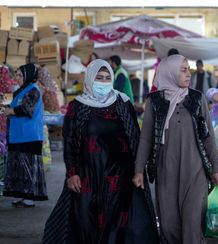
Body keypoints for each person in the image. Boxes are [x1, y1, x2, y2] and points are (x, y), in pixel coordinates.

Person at [42, 59, 156, 244]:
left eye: (106, 78)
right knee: (86, 222)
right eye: (99, 78)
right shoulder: (78, 106)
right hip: (88, 176)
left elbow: (135, 137)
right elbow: (70, 141)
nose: (103, 82)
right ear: (90, 79)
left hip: (120, 177)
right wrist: (72, 173)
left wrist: (139, 170)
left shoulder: (122, 103)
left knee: (116, 225)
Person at [132, 54, 218, 244]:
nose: (188, 74)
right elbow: (147, 137)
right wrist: (139, 169)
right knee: (169, 224)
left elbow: (209, 137)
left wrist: (216, 167)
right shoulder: (155, 102)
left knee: (192, 223)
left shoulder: (197, 99)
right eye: (183, 70)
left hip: (195, 170)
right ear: (169, 73)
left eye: (188, 69)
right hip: (167, 170)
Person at [2, 63, 47, 208]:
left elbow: (27, 109)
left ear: (29, 76)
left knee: (28, 167)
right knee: (19, 167)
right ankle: (22, 195)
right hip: (18, 134)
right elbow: (14, 106)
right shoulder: (21, 91)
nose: (17, 78)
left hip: (29, 135)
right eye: (17, 75)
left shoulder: (34, 90)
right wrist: (6, 108)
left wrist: (10, 112)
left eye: (21, 75)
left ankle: (29, 198)